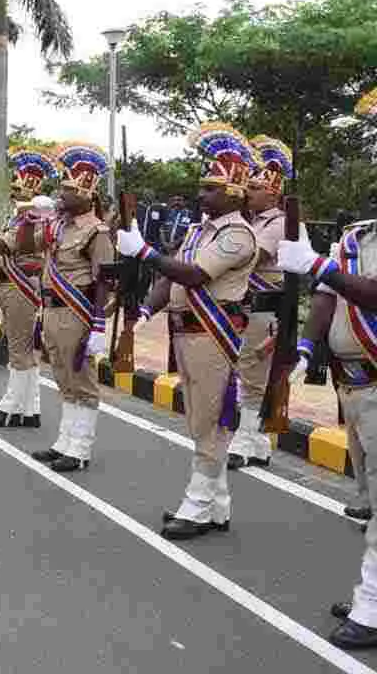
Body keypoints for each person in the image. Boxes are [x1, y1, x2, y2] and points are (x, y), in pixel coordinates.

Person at [118, 122, 259, 540]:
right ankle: (217, 505)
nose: (202, 194)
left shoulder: (239, 234)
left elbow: (194, 275)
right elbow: (170, 279)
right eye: (203, 187)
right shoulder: (198, 230)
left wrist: (144, 251)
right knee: (200, 417)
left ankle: (197, 505)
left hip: (212, 335)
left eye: (211, 188)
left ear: (233, 194)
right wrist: (146, 309)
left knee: (209, 420)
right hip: (186, 333)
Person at [277, 206, 377, 648]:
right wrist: (303, 346)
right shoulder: (357, 237)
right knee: (368, 502)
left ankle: (371, 605)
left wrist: (318, 263)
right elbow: (326, 295)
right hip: (351, 387)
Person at [28, 143, 115, 473]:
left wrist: (98, 325)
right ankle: (64, 440)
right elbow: (24, 243)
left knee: (82, 381)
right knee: (64, 378)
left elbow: (104, 281)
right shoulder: (58, 226)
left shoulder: (97, 231)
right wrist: (28, 215)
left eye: (68, 191)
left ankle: (80, 447)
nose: (60, 196)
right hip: (52, 310)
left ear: (87, 193)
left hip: (76, 312)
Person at [0, 148, 59, 428]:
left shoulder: (34, 221)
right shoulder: (21, 218)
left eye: (18, 190)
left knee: (19, 350)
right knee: (25, 350)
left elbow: (5, 246)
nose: (13, 195)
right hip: (13, 287)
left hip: (21, 287)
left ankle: (9, 407)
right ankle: (30, 409)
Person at [227, 136, 303, 470]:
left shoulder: (280, 223)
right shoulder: (251, 221)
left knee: (254, 375)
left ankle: (244, 441)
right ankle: (257, 443)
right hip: (245, 306)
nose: (248, 193)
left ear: (272, 192)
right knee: (244, 371)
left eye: (254, 189)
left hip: (266, 307)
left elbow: (251, 255)